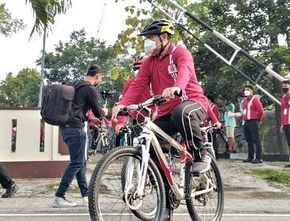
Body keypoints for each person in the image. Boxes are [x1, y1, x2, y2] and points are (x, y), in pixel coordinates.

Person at [112, 19, 220, 220]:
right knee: (151, 144)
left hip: (192, 102)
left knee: (182, 113)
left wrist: (177, 87)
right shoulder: (148, 62)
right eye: (146, 39)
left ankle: (200, 155)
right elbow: (137, 85)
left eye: (151, 38)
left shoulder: (180, 53)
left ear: (164, 37)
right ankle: (166, 202)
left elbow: (185, 70)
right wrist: (123, 104)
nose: (147, 43)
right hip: (165, 111)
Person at [52, 65, 108, 208]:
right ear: (97, 76)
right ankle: (59, 196)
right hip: (76, 130)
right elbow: (98, 112)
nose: (99, 80)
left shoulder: (74, 84)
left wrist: (89, 120)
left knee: (80, 162)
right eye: (100, 78)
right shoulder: (89, 88)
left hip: (65, 128)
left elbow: (74, 109)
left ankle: (85, 195)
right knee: (77, 163)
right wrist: (104, 111)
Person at [114, 55, 152, 146]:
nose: (137, 71)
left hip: (156, 118)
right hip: (138, 119)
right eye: (134, 69)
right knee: (136, 147)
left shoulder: (155, 80)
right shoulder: (130, 83)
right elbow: (122, 103)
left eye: (140, 68)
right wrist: (120, 122)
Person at [242, 85, 264, 164]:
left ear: (252, 91)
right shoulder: (245, 101)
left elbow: (261, 111)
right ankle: (250, 157)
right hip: (246, 121)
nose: (246, 91)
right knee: (249, 140)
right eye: (245, 90)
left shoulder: (255, 100)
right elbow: (245, 112)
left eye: (247, 90)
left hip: (254, 121)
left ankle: (259, 157)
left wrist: (258, 119)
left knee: (256, 140)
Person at [280, 79, 290, 168]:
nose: (284, 87)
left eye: (286, 85)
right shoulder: (283, 97)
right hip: (286, 123)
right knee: (289, 142)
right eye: (283, 86)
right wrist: (282, 123)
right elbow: (283, 111)